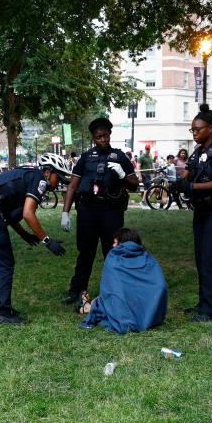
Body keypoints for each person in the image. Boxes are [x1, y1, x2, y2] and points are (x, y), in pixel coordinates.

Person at [0, 153, 70, 324]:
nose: (59, 184)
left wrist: (25, 235)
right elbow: (29, 214)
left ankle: (2, 308)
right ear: (48, 172)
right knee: (4, 262)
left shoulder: (27, 174)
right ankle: (4, 312)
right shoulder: (39, 179)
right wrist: (47, 241)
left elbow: (11, 214)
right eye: (59, 178)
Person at [60, 118, 139, 306]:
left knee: (112, 251)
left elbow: (134, 185)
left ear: (110, 135)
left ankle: (116, 290)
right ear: (93, 138)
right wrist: (65, 212)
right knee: (85, 251)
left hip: (111, 210)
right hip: (88, 209)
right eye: (98, 137)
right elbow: (72, 186)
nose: (103, 140)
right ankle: (77, 289)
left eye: (105, 136)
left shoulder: (120, 157)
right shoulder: (86, 158)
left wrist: (122, 174)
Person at [172, 104, 212, 322]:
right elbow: (187, 174)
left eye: (198, 129)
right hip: (201, 211)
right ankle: (203, 303)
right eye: (193, 130)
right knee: (200, 258)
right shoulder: (198, 153)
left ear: (211, 128)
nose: (195, 133)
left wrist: (192, 188)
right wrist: (177, 184)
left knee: (208, 259)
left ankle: (209, 310)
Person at [78, 228, 168, 334]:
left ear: (122, 243)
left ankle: (85, 305)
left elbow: (110, 292)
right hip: (147, 311)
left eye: (115, 242)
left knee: (100, 303)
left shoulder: (114, 258)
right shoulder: (148, 258)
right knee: (101, 300)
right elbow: (159, 285)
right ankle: (87, 303)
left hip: (122, 311)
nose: (113, 246)